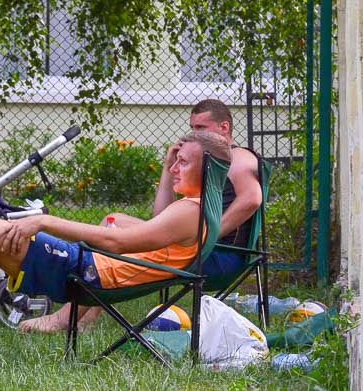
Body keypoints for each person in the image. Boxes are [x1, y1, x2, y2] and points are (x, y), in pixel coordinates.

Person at [0, 131, 230, 368]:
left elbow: (117, 243)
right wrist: (168, 166)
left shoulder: (191, 212)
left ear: (207, 170)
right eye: (174, 160)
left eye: (183, 162)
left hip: (93, 273)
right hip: (100, 267)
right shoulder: (202, 208)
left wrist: (43, 221)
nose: (175, 167)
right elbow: (151, 225)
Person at [18, 99, 262, 333]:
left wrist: (211, 233)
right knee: (113, 221)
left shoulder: (236, 156)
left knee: (116, 237)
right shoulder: (200, 163)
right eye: (192, 128)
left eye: (201, 128)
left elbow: (252, 198)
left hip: (218, 253)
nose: (194, 134)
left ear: (224, 127)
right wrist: (169, 167)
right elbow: (161, 217)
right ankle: (87, 313)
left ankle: (66, 317)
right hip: (194, 241)